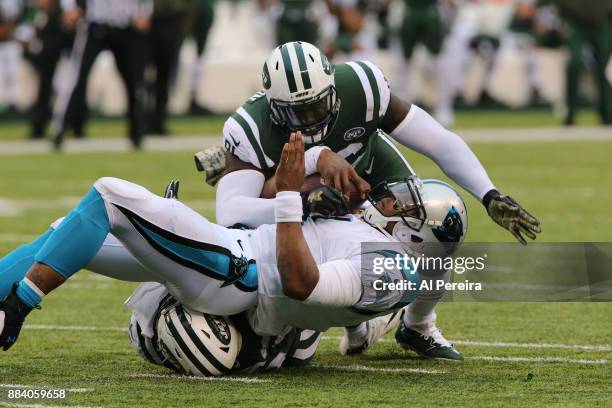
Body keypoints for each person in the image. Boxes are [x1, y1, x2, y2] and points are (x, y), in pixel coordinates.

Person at [0, 134, 468, 361]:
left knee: (108, 195)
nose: (390, 199)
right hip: (236, 257)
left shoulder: (394, 268)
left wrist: (289, 199)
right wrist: (302, 176)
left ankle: (16, 307)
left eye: (405, 204)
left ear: (418, 232)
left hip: (237, 271)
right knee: (73, 230)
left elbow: (302, 283)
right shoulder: (379, 253)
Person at [50, 0, 152, 149]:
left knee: (135, 81)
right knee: (77, 78)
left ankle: (137, 131)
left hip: (126, 25)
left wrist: (145, 12)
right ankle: (60, 128)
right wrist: (71, 8)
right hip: (95, 24)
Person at [540, 0, 612, 125]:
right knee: (574, 64)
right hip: (576, 22)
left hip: (602, 21)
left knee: (604, 69)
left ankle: (607, 113)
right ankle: (570, 112)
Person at [27, 0, 76, 139]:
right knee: (45, 90)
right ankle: (39, 128)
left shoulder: (60, 14)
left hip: (61, 56)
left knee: (67, 90)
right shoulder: (42, 16)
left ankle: (71, 126)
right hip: (47, 57)